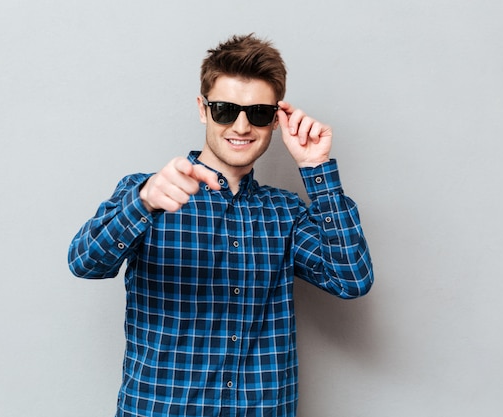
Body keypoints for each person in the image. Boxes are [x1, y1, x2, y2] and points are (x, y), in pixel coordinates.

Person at [68, 33, 373, 417]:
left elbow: (351, 279)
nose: (242, 126)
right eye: (226, 110)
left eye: (259, 113)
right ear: (203, 108)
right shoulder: (149, 192)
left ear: (276, 119)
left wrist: (317, 171)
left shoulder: (286, 213)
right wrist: (142, 202)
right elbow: (84, 262)